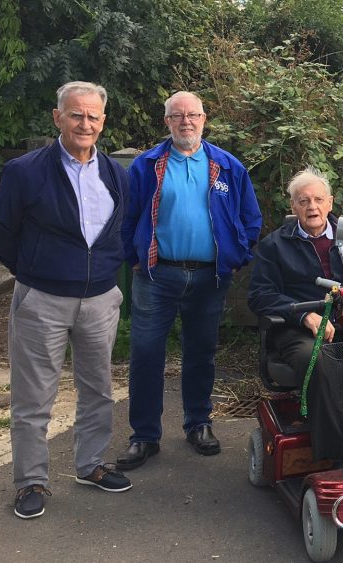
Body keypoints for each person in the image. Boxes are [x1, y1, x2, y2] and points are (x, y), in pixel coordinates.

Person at [0, 81, 132, 519]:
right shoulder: (26, 172)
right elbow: (3, 235)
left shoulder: (115, 173)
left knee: (98, 390)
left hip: (100, 299)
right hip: (43, 299)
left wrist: (105, 275)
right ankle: (31, 480)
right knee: (33, 398)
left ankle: (89, 465)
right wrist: (34, 273)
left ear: (102, 122)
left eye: (92, 116)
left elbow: (119, 232)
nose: (84, 123)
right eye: (75, 114)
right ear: (58, 118)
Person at [117, 91, 262, 470]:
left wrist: (236, 257)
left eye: (193, 115)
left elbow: (250, 219)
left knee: (201, 353)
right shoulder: (146, 166)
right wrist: (132, 257)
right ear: (166, 122)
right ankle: (145, 436)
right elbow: (126, 218)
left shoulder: (227, 167)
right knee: (146, 355)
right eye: (177, 116)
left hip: (209, 277)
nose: (186, 121)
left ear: (204, 119)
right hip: (156, 274)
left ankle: (198, 424)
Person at [248, 168, 343, 460]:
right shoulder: (275, 245)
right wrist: (303, 317)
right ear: (293, 207)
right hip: (300, 329)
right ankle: (335, 456)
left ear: (330, 203)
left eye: (317, 200)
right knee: (323, 364)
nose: (311, 207)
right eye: (303, 201)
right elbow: (261, 295)